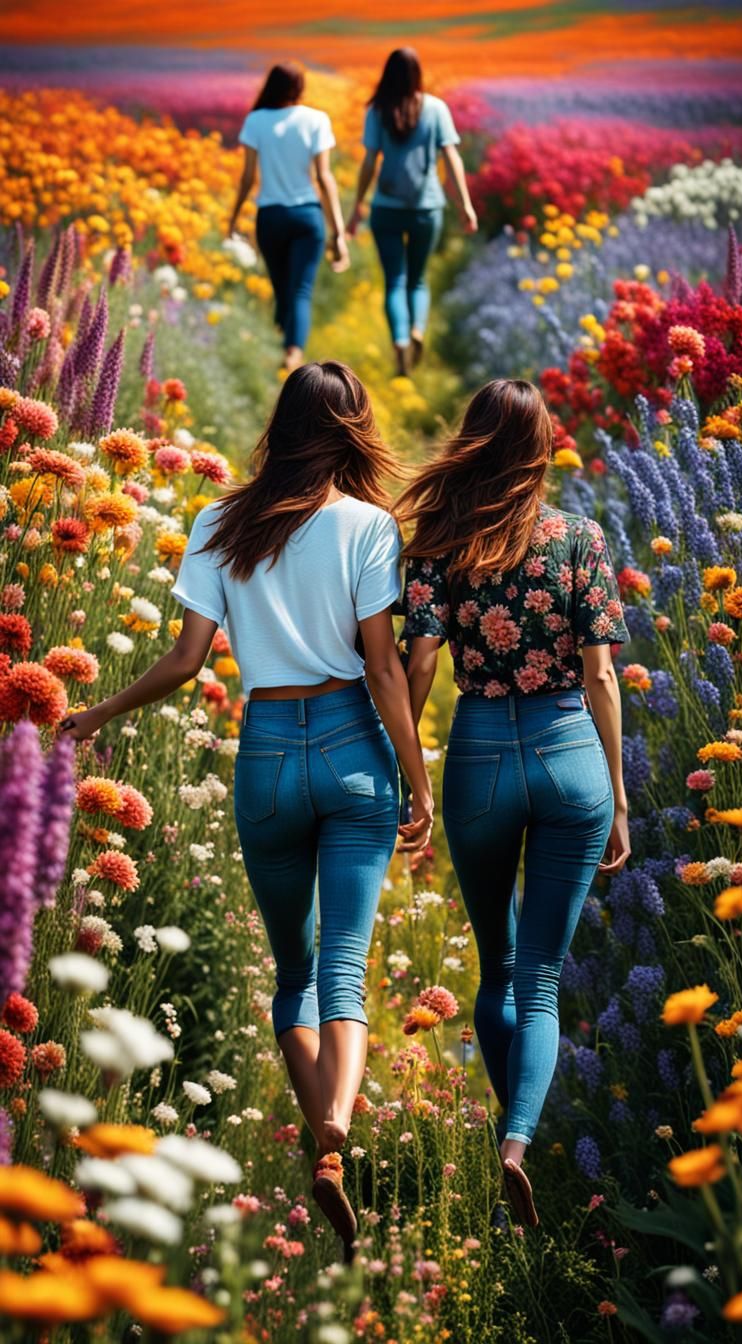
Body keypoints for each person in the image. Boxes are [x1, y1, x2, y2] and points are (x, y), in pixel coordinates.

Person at [60, 361, 434, 1261]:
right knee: (345, 963)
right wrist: (418, 782)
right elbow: (385, 668)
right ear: (351, 429)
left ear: (282, 424)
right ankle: (339, 1134)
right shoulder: (369, 527)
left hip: (266, 754)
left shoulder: (219, 522)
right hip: (351, 746)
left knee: (293, 972)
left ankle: (323, 1140)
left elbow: (188, 662)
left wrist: (101, 710)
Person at [397, 379, 630, 1228]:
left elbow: (419, 663)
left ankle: (509, 1119)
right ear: (540, 447)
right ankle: (518, 1143)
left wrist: (409, 770)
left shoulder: (437, 544)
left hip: (483, 755)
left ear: (473, 441)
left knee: (496, 964)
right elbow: (602, 674)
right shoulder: (580, 537)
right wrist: (620, 794)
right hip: (571, 754)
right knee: (540, 977)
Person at [347, 47, 478, 377]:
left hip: (386, 208)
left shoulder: (378, 110)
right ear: (418, 74)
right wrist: (465, 205)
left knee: (394, 281)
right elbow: (452, 158)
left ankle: (401, 341)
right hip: (426, 207)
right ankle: (418, 328)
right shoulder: (435, 108)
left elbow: (368, 162)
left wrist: (357, 206)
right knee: (417, 280)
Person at [228, 62, 349, 373]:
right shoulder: (316, 119)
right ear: (300, 88)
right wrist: (338, 231)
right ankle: (293, 350)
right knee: (299, 290)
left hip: (270, 216)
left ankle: (286, 334)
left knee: (281, 286)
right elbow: (324, 178)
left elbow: (247, 178)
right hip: (307, 215)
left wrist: (234, 216)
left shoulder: (256, 121)